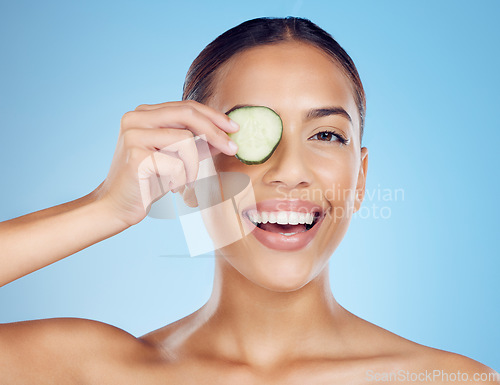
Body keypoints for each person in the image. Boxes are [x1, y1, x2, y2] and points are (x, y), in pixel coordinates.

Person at [0, 17, 497, 385]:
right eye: (249, 134)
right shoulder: (90, 372)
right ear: (191, 167)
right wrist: (103, 207)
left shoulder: (451, 380)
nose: (291, 172)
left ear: (361, 178)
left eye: (326, 135)